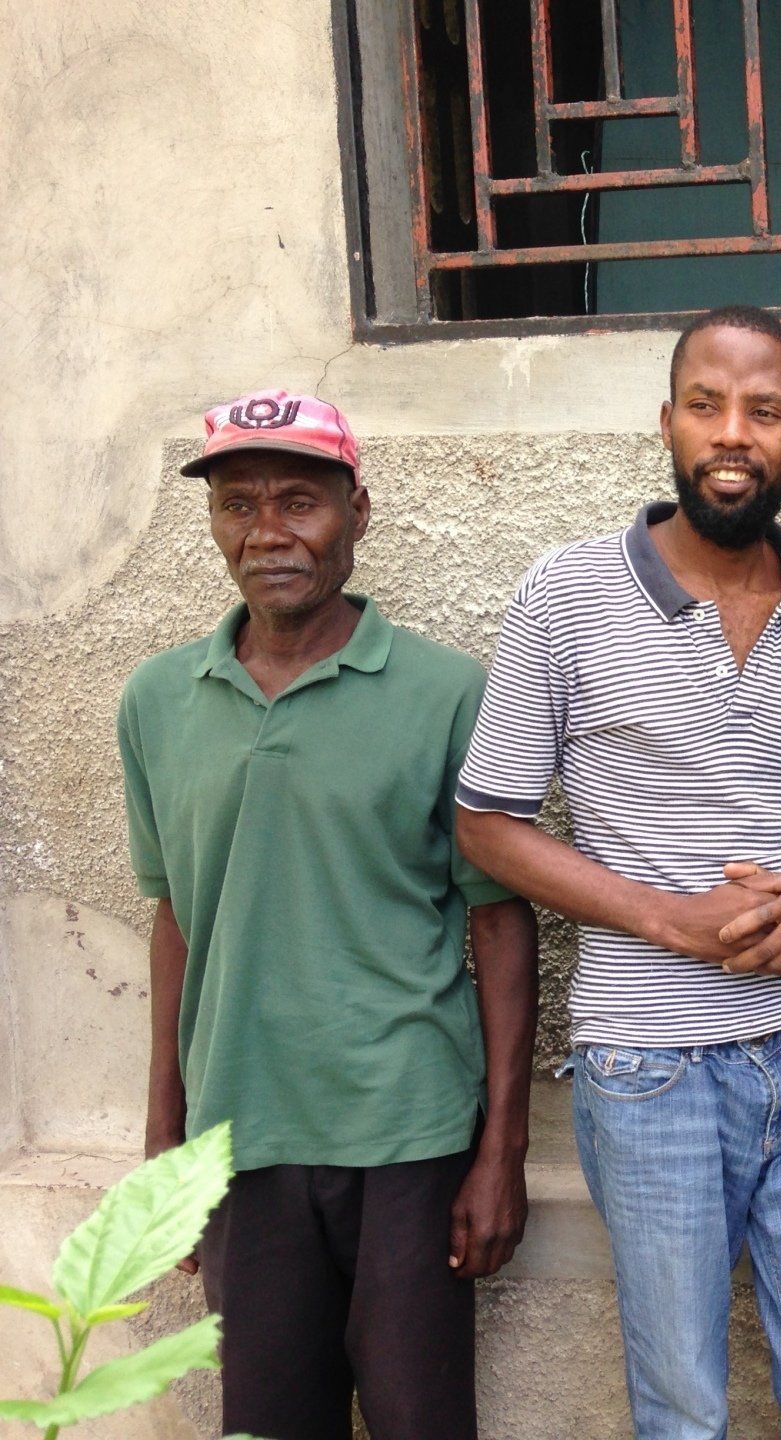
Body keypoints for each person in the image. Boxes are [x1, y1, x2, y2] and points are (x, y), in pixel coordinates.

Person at [454, 306, 781, 1440]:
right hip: (648, 1064)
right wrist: (672, 921)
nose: (732, 433)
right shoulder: (566, 595)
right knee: (682, 1411)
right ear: (667, 423)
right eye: (706, 405)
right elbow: (486, 824)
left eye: (765, 410)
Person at [117, 390, 539, 1440]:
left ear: (359, 512)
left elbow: (499, 922)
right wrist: (165, 1131)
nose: (267, 533)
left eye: (298, 502)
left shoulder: (448, 692)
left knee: (418, 1419)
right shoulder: (157, 702)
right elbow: (178, 918)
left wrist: (502, 1148)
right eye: (238, 504)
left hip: (407, 1133)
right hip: (239, 1136)